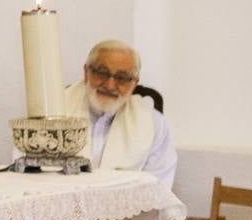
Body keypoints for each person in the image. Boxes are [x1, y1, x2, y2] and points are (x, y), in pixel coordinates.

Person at [64, 40, 176, 188]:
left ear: (134, 83)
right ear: (86, 72)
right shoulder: (55, 109)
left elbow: (158, 186)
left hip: (126, 209)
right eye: (102, 73)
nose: (110, 85)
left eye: (122, 78)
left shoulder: (153, 123)